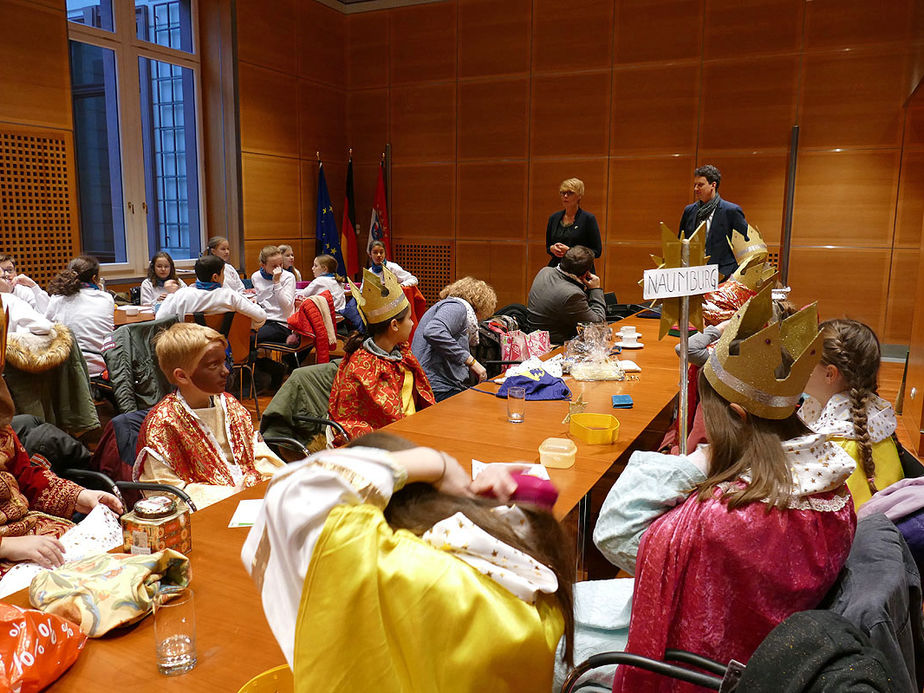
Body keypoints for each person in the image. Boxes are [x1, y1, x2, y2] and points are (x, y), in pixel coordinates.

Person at [576, 286, 856, 692]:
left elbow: (614, 533)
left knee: (551, 630)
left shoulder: (728, 520)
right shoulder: (834, 490)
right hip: (760, 652)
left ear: (737, 418)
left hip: (698, 670)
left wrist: (701, 460)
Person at [241, 431, 575, 690]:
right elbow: (536, 513)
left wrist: (436, 462)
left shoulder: (405, 572)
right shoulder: (519, 572)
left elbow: (295, 493)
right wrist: (456, 483)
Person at [0, 307, 121, 574]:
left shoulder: (3, 429)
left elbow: (27, 477)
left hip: (31, 531)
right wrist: (7, 546)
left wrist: (82, 496)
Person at [134, 323, 285, 509]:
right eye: (214, 365)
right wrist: (233, 493)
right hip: (207, 513)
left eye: (224, 361)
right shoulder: (163, 423)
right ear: (182, 376)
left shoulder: (230, 405)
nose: (226, 371)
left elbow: (256, 452)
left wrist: (275, 482)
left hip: (253, 503)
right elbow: (165, 491)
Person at [800, 318, 903, 510]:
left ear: (830, 374)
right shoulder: (871, 417)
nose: (797, 366)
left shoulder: (836, 449)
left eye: (806, 359)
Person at [328, 266, 434, 443]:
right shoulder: (362, 367)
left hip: (414, 432)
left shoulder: (401, 352)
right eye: (408, 319)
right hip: (380, 447)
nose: (412, 323)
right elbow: (376, 422)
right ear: (394, 325)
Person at [411, 277, 497, 402]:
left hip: (432, 384)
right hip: (438, 387)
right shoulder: (458, 307)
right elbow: (433, 331)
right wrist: (472, 362)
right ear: (480, 304)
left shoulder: (448, 306)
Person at [45, 255, 114, 378]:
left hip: (69, 372)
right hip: (103, 368)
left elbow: (46, 328)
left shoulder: (57, 299)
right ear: (94, 278)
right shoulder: (106, 299)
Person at [679, 164, 749, 279]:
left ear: (713, 185)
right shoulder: (689, 211)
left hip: (722, 274)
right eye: (695, 185)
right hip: (693, 273)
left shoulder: (731, 211)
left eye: (700, 185)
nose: (696, 189)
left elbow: (745, 243)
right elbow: (681, 240)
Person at [158, 254, 266, 329]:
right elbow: (261, 317)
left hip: (191, 354)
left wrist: (171, 295)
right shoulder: (230, 296)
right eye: (223, 273)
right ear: (215, 277)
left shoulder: (182, 294)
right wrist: (242, 324)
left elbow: (160, 319)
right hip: (225, 352)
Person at [527, 245, 605, 344]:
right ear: (586, 274)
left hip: (533, 338)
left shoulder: (545, 271)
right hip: (555, 347)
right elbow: (597, 324)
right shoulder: (572, 295)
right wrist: (595, 289)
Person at [546, 177, 602, 269]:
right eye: (563, 193)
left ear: (579, 195)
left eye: (570, 193)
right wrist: (552, 248)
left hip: (579, 271)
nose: (565, 196)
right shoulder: (554, 218)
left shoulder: (588, 219)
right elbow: (548, 247)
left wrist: (570, 251)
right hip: (557, 269)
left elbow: (596, 252)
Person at [250, 245, 296, 345]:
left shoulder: (288, 277)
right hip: (262, 320)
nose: (278, 268)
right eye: (274, 266)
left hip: (281, 323)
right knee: (239, 334)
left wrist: (277, 282)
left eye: (280, 264)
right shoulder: (256, 276)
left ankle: (259, 361)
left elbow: (287, 307)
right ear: (263, 265)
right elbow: (263, 297)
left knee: (250, 339)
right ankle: (258, 360)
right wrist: (255, 299)